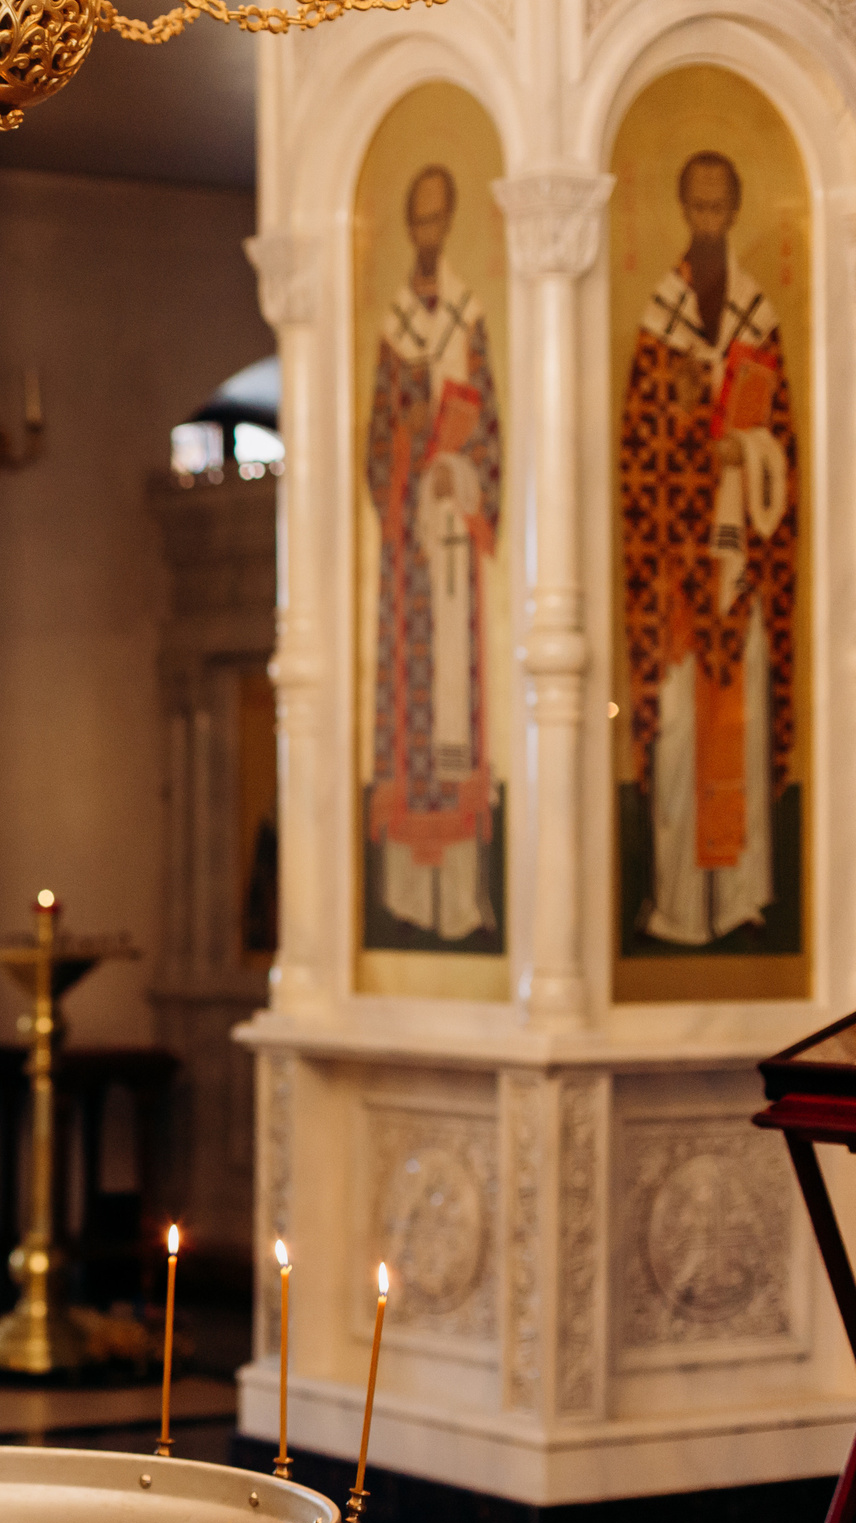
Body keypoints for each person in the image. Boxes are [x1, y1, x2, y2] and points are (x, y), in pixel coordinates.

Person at [620, 149, 797, 946]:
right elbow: (636, 447)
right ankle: (682, 904)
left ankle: (742, 898)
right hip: (681, 569)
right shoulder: (661, 323)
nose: (710, 223)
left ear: (735, 212)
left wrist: (751, 453)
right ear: (684, 214)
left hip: (743, 566)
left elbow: (785, 443)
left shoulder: (760, 321)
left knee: (744, 726)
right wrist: (702, 439)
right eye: (698, 209)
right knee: (685, 736)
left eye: (722, 209)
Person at [362, 162, 502, 942]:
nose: (425, 235)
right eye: (414, 222)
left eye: (436, 221)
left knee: (458, 712)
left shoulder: (469, 321)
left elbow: (492, 435)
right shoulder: (391, 330)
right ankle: (413, 901)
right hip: (407, 563)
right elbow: (376, 443)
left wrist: (458, 468)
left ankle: (461, 898)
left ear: (449, 225)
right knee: (411, 712)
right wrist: (410, 443)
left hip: (457, 558)